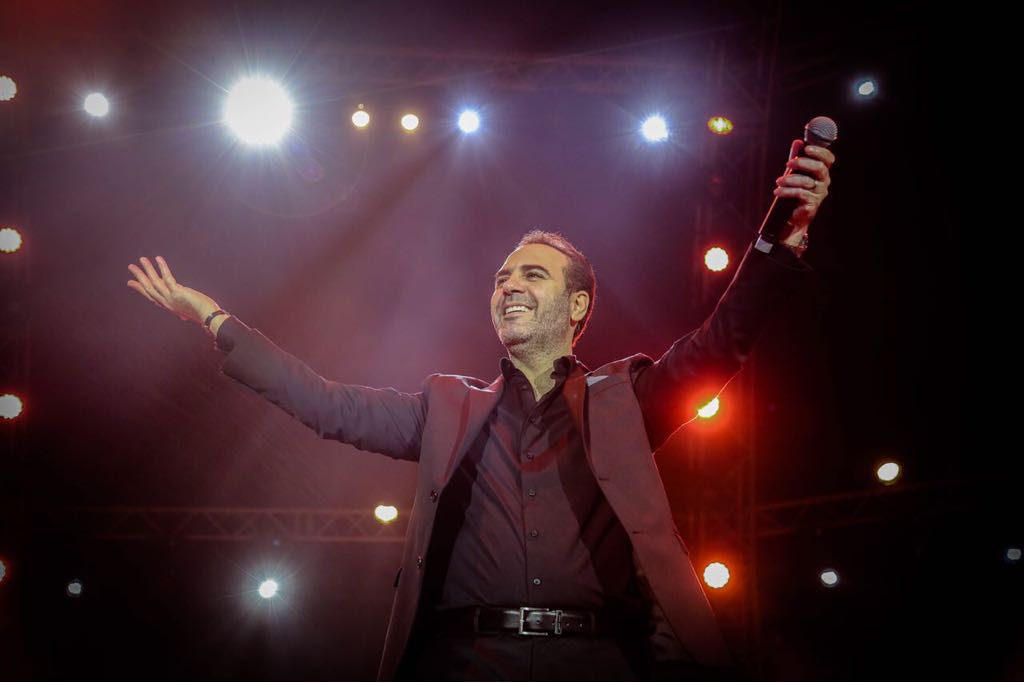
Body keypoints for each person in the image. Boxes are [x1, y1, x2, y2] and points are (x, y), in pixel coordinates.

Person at [127, 143, 834, 680]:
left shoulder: (626, 398)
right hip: (466, 662)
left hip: (599, 662)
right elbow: (325, 403)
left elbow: (721, 341)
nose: (509, 285)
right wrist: (214, 319)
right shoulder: (446, 408)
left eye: (532, 273)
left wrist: (781, 239)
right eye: (501, 277)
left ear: (577, 304)